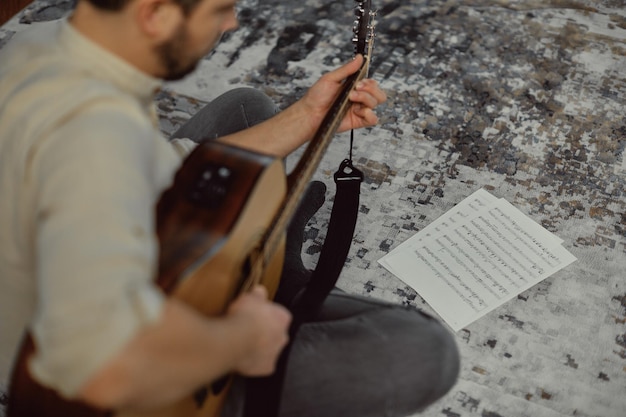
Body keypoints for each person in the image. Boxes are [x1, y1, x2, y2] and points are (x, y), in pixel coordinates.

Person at [0, 0, 460, 416]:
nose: (232, 22)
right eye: (219, 8)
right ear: (154, 13)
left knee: (247, 107)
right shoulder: (95, 141)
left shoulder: (42, 44)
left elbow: (158, 172)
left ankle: (272, 268)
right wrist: (242, 340)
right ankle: (268, 293)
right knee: (423, 352)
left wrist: (307, 118)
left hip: (99, 254)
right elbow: (98, 372)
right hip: (109, 387)